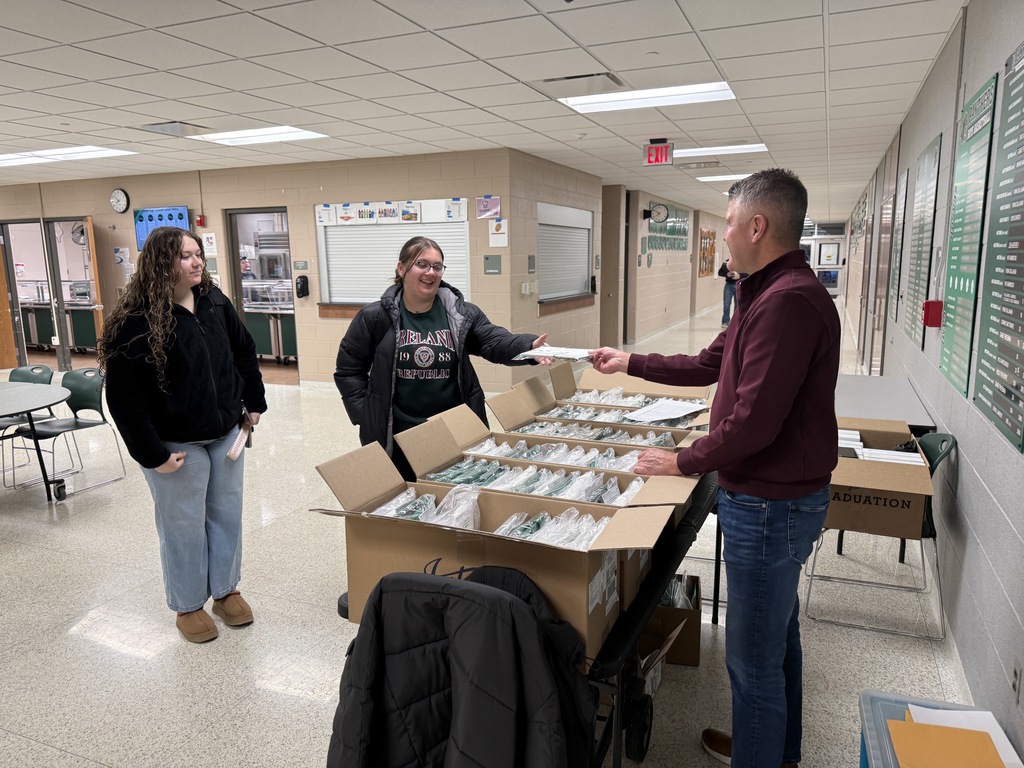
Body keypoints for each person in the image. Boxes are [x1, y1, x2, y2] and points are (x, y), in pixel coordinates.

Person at [590, 169, 839, 768]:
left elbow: (753, 425)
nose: (722, 234)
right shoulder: (766, 293)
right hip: (774, 498)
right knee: (775, 639)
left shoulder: (786, 302)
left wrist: (681, 461)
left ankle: (761, 751)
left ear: (757, 226)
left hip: (770, 506)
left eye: (728, 223)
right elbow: (708, 364)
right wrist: (630, 362)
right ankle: (773, 751)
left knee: (752, 662)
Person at [98, 227, 266, 644]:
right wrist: (152, 454)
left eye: (198, 254)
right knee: (183, 526)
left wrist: (254, 401)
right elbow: (124, 399)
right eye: (186, 256)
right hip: (175, 442)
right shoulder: (134, 322)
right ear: (162, 263)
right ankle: (188, 604)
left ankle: (225, 591)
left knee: (227, 514)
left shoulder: (214, 301)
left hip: (226, 431)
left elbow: (243, 350)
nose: (197, 262)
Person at [335, 235, 550, 481]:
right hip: (397, 434)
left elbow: (493, 340)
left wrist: (529, 346)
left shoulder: (460, 314)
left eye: (437, 267)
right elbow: (349, 370)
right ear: (401, 268)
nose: (431, 272)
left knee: (456, 493)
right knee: (405, 496)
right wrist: (367, 416)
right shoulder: (374, 317)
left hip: (452, 429)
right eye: (422, 264)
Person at [718, 260, 743, 326]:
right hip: (729, 285)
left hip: (739, 285)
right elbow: (720, 272)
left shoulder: (743, 262)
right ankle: (725, 321)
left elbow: (749, 273)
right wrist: (727, 274)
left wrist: (740, 276)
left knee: (737, 305)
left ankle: (735, 322)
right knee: (726, 304)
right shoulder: (727, 263)